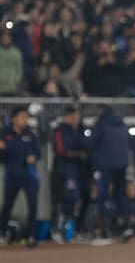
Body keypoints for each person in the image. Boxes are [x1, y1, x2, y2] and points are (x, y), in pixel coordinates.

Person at [86, 106, 131, 235]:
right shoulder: (123, 125)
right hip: (122, 165)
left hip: (105, 165)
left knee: (103, 195)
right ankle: (126, 224)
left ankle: (105, 227)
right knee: (121, 195)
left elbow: (90, 143)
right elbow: (132, 142)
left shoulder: (102, 125)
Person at [0, 107, 41, 247]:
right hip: (11, 175)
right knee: (7, 206)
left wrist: (33, 158)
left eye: (26, 117)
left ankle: (31, 236)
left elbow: (38, 153)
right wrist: (2, 149)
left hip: (29, 176)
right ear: (14, 118)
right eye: (22, 117)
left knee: (33, 206)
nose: (24, 120)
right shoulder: (4, 133)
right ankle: (2, 233)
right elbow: (2, 158)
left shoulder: (31, 133)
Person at [51, 106, 91, 242]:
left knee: (87, 196)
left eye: (77, 117)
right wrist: (79, 152)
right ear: (66, 117)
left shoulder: (81, 129)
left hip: (81, 170)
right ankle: (60, 230)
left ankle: (78, 230)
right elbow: (63, 151)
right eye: (73, 117)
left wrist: (77, 152)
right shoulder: (59, 130)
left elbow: (88, 148)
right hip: (65, 170)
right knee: (69, 199)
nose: (76, 120)